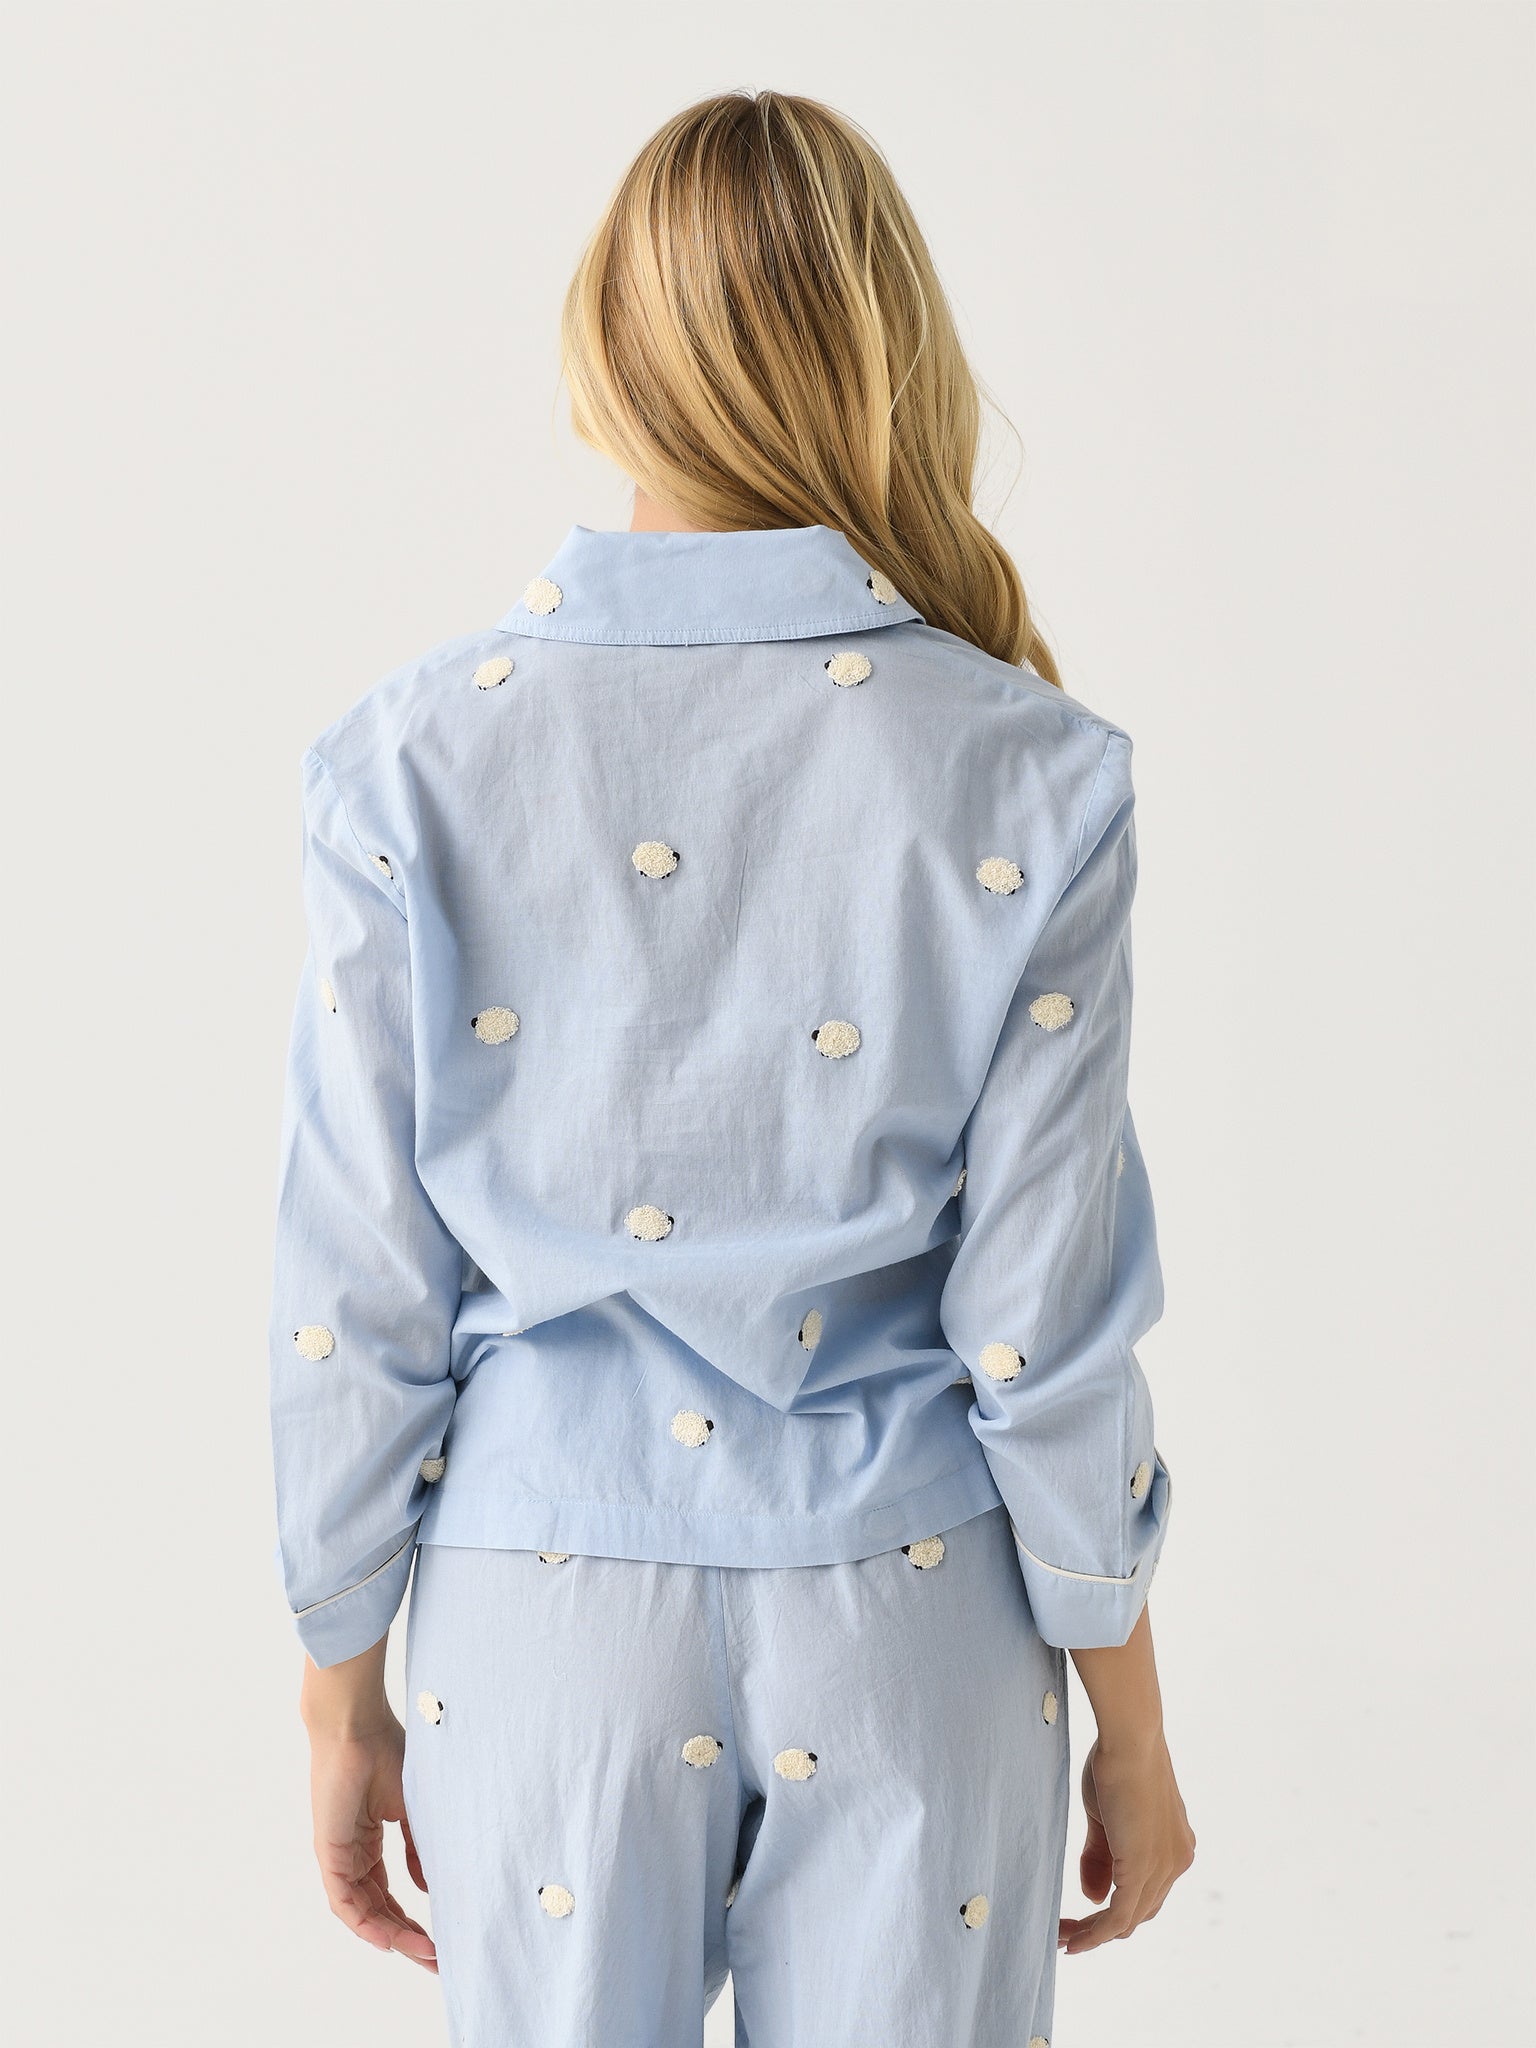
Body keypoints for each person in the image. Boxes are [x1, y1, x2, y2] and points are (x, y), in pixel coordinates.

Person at [268, 87, 1194, 2048]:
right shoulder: (1034, 769)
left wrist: (341, 1689)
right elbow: (1039, 1323)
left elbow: (358, 1289)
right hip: (915, 1605)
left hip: (541, 1616)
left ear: (603, 345)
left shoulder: (409, 761)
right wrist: (1129, 1710)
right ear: (888, 352)